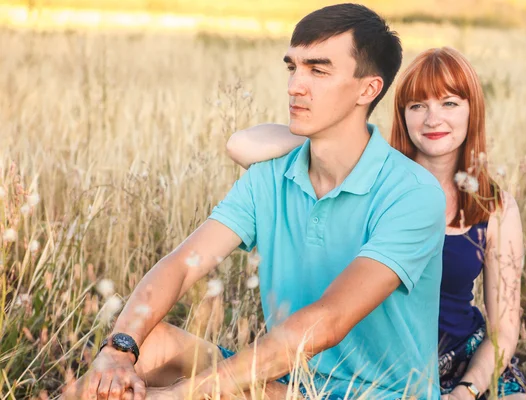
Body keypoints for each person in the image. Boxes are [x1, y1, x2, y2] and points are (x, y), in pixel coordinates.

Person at [63, 4, 448, 400]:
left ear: (368, 89)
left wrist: (181, 393)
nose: (295, 85)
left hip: (372, 394)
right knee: (146, 346)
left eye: (318, 70)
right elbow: (181, 265)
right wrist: (118, 349)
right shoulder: (271, 175)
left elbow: (327, 321)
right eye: (292, 67)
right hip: (285, 380)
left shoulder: (412, 194)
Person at [226, 47, 526, 400]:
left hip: (466, 364)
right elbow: (241, 146)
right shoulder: (373, 175)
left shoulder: (495, 207)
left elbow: (503, 330)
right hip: (379, 365)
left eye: (449, 103)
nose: (433, 119)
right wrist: (323, 140)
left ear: (472, 111)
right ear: (402, 115)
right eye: (418, 106)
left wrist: (467, 391)